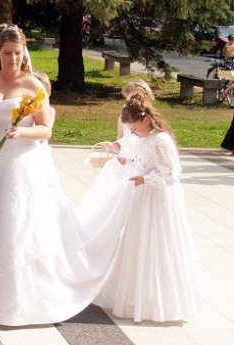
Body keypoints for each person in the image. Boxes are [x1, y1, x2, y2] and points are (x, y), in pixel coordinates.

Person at [0, 24, 108, 326]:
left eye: (18, 53)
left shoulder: (33, 86)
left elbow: (46, 129)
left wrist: (23, 132)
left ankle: (17, 299)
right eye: (8, 53)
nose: (14, 59)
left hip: (21, 161)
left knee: (17, 224)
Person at [85, 95, 202, 322]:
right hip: (142, 198)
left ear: (146, 120)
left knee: (157, 245)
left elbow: (172, 174)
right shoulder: (143, 138)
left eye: (135, 128)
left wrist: (146, 180)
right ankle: (136, 296)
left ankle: (160, 301)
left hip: (158, 201)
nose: (133, 132)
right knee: (138, 245)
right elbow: (139, 160)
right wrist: (123, 160)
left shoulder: (160, 140)